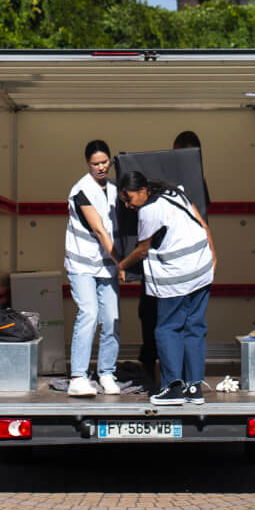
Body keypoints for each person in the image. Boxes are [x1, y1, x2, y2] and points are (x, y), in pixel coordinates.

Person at [117, 169, 214, 406]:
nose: (129, 205)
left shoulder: (149, 211)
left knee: (167, 329)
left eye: (129, 199)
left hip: (177, 275)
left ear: (142, 191)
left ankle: (172, 388)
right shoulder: (174, 192)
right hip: (201, 268)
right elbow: (202, 223)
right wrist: (213, 256)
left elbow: (142, 249)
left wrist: (121, 266)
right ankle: (194, 388)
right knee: (195, 327)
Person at [64, 140, 122, 396]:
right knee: (89, 312)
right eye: (95, 163)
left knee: (111, 317)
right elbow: (99, 229)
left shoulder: (115, 188)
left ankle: (107, 373)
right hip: (82, 264)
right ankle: (78, 376)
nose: (100, 167)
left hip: (107, 265)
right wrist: (123, 262)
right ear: (88, 164)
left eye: (104, 162)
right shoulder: (81, 190)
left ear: (110, 160)